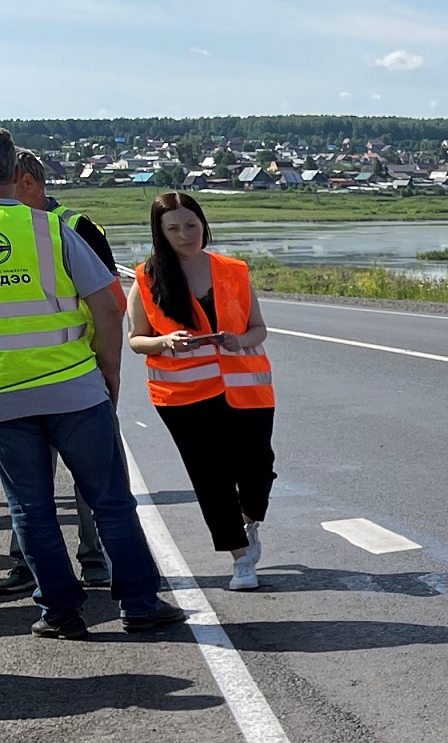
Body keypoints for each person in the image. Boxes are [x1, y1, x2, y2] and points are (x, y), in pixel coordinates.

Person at [0, 128, 187, 640]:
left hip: (3, 401)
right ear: (18, 175)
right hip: (74, 387)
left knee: (30, 508)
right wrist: (108, 371)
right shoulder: (50, 229)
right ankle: (139, 604)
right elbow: (107, 304)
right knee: (109, 499)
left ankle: (59, 612)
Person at [125, 191, 276, 592]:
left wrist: (239, 341)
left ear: (203, 223)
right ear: (159, 232)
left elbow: (259, 328)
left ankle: (250, 520)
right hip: (183, 396)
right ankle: (240, 558)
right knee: (211, 476)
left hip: (246, 388)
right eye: (172, 228)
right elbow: (135, 339)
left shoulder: (233, 270)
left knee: (257, 468)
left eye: (191, 225)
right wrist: (164, 342)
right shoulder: (147, 277)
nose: (185, 234)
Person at [0, 147, 115, 595]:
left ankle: (93, 560)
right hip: (22, 378)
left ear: (25, 181)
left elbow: (108, 302)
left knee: (89, 486)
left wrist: (105, 368)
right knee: (29, 495)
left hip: (75, 374)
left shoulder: (75, 227)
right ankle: (27, 566)